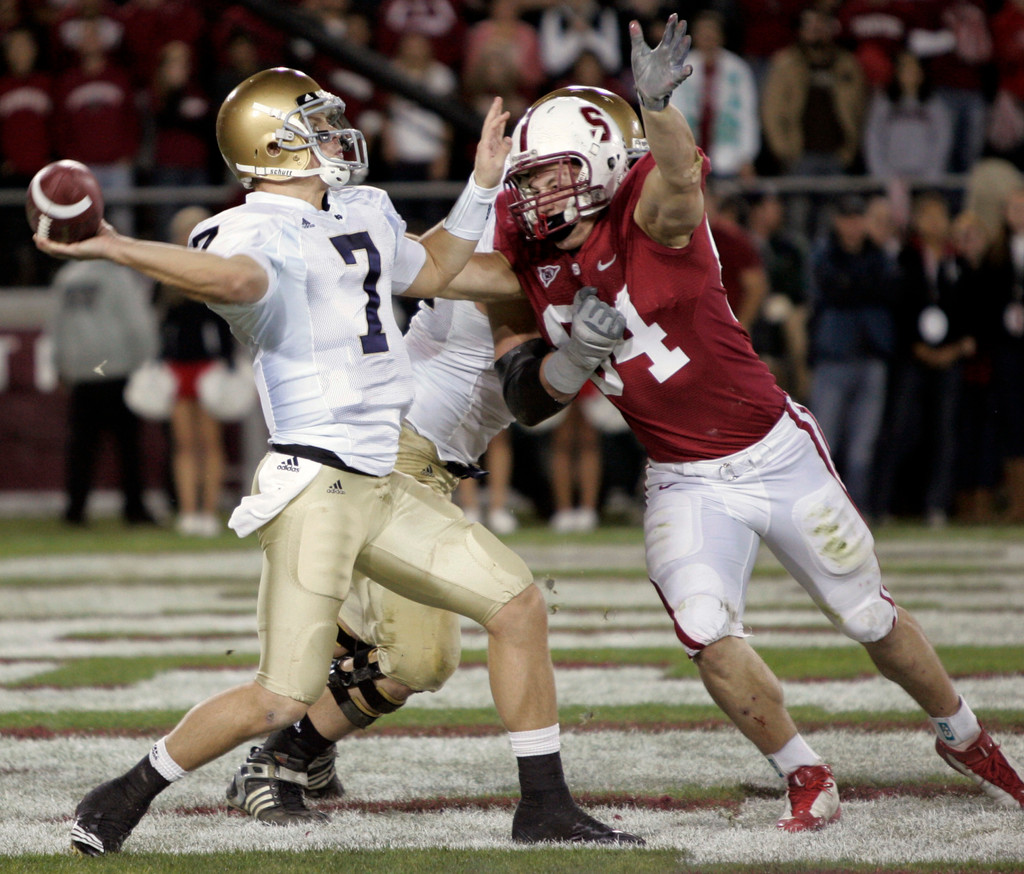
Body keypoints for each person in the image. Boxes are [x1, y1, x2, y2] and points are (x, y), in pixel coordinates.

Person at [436, 14, 1024, 831]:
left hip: (773, 448)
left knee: (869, 619)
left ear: (607, 164)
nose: (535, 196)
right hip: (682, 475)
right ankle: (804, 770)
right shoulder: (519, 253)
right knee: (707, 633)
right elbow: (468, 318)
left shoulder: (647, 205)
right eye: (528, 182)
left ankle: (962, 734)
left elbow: (680, 180)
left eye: (553, 175)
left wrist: (658, 106)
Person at [36, 66, 639, 854]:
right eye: (314, 127)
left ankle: (545, 807)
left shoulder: (360, 206)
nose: (333, 137)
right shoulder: (243, 229)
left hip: (385, 479)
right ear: (274, 150)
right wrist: (115, 245)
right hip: (314, 483)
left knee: (516, 604)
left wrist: (482, 183)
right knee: (277, 696)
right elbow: (237, 278)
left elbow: (431, 268)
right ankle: (125, 791)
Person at [873, 190, 976, 527]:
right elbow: (897, 307)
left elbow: (967, 308)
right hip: (912, 357)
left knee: (944, 432)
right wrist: (917, 347)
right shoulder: (904, 257)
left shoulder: (956, 260)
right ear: (917, 221)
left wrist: (956, 347)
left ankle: (936, 506)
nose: (935, 222)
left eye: (940, 215)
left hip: (948, 357)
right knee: (901, 429)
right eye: (928, 215)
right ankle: (883, 504)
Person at [48, 258, 160, 527]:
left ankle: (75, 509)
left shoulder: (67, 277)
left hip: (82, 373)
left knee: (81, 446)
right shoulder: (119, 277)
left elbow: (56, 326)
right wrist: (147, 360)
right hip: (118, 369)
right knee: (128, 446)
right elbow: (137, 322)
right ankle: (134, 508)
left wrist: (60, 365)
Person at [807, 194, 899, 516]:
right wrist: (857, 287)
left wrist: (852, 286)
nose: (853, 225)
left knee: (864, 445)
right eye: (847, 218)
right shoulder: (825, 254)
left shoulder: (879, 256)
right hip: (833, 357)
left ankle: (858, 512)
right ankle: (825, 511)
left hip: (870, 357)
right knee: (825, 442)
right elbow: (831, 288)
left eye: (858, 218)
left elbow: (887, 289)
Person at [155, 206, 235, 538]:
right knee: (185, 444)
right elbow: (160, 326)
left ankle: (208, 510)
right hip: (177, 366)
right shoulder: (167, 276)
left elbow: (226, 323)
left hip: (208, 368)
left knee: (210, 443)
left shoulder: (216, 271)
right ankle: (189, 512)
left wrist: (227, 366)